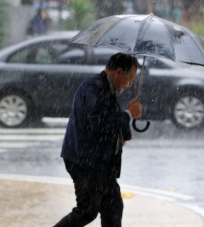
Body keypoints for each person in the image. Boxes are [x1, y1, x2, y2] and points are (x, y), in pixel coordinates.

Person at [54, 53, 142, 227]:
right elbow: (99, 123)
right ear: (118, 72)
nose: (130, 84)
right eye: (130, 78)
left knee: (113, 207)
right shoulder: (94, 88)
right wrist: (129, 113)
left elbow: (106, 118)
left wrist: (123, 134)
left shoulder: (106, 88)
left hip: (100, 162)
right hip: (85, 161)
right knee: (87, 210)